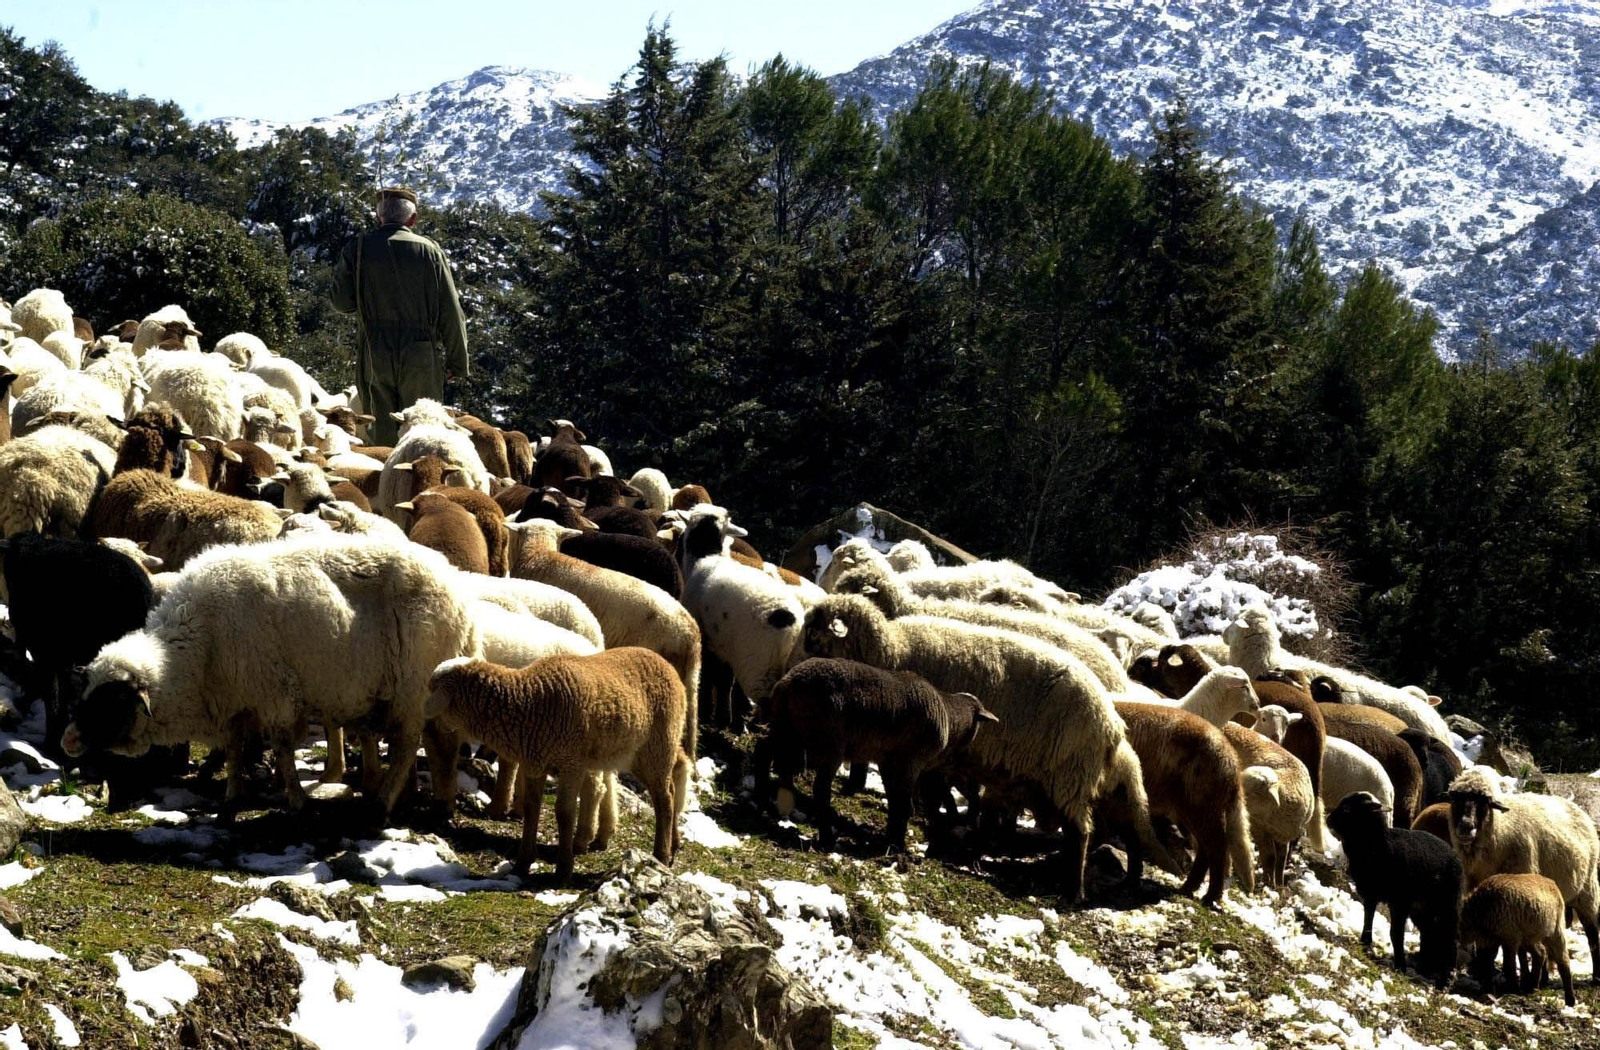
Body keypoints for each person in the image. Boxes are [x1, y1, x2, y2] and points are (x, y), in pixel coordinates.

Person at [331, 186, 469, 446]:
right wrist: (457, 361)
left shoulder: (357, 249)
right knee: (424, 428)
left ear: (378, 217)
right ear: (413, 219)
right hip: (421, 350)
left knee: (380, 431)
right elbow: (451, 312)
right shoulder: (430, 251)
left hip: (374, 349)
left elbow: (341, 304)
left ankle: (387, 479)